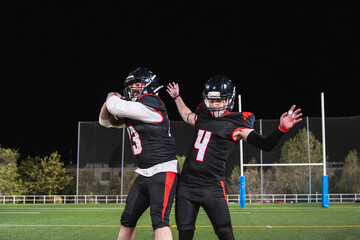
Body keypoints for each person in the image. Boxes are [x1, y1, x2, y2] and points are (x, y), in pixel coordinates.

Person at [166, 75, 302, 240]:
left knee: (226, 235)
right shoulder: (202, 117)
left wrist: (281, 129)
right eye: (212, 101)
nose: (215, 105)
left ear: (229, 100)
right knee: (184, 234)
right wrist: (177, 97)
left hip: (212, 187)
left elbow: (265, 145)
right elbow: (185, 114)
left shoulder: (236, 124)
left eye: (219, 101)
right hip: (186, 186)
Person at [99, 67, 178, 240]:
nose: (134, 87)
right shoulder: (134, 109)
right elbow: (104, 121)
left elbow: (115, 106)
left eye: (138, 83)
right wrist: (107, 103)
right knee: (127, 219)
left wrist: (110, 96)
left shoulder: (152, 104)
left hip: (163, 170)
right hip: (144, 172)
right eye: (131, 84)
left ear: (150, 86)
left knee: (160, 221)